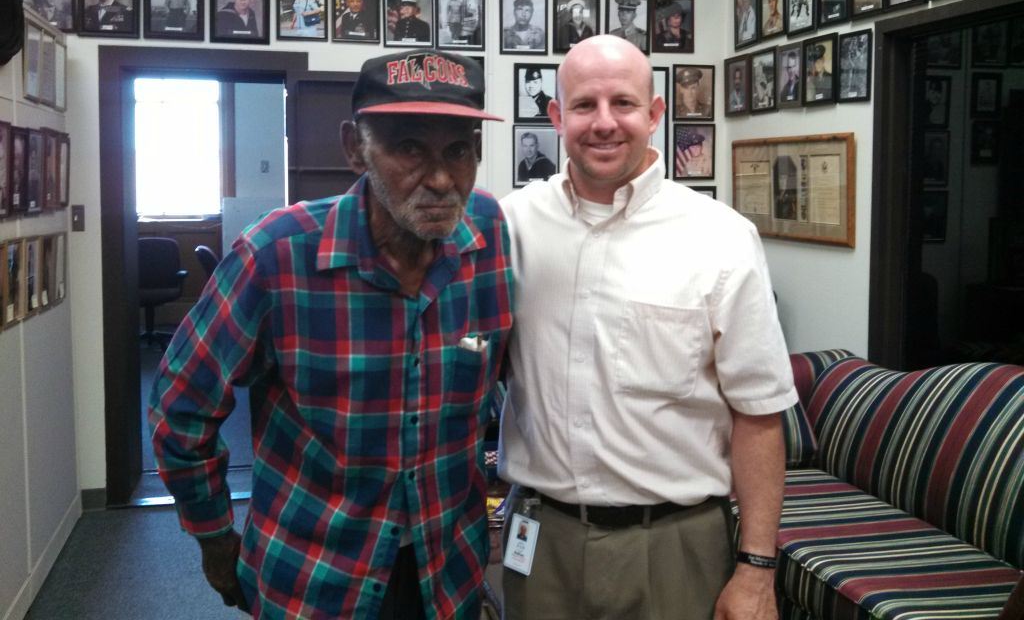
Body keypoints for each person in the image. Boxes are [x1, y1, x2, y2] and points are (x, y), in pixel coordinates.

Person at [150, 49, 512, 620]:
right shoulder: (277, 256)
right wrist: (217, 541)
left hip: (448, 578)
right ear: (354, 148)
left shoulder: (491, 236)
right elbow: (181, 412)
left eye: (459, 150)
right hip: (315, 581)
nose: (441, 178)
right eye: (409, 148)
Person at [498, 35, 797, 619]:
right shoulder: (510, 227)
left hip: (674, 548)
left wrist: (757, 570)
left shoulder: (721, 238)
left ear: (655, 114)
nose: (604, 123)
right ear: (557, 116)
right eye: (584, 105)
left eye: (624, 104)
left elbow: (758, 415)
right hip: (540, 540)